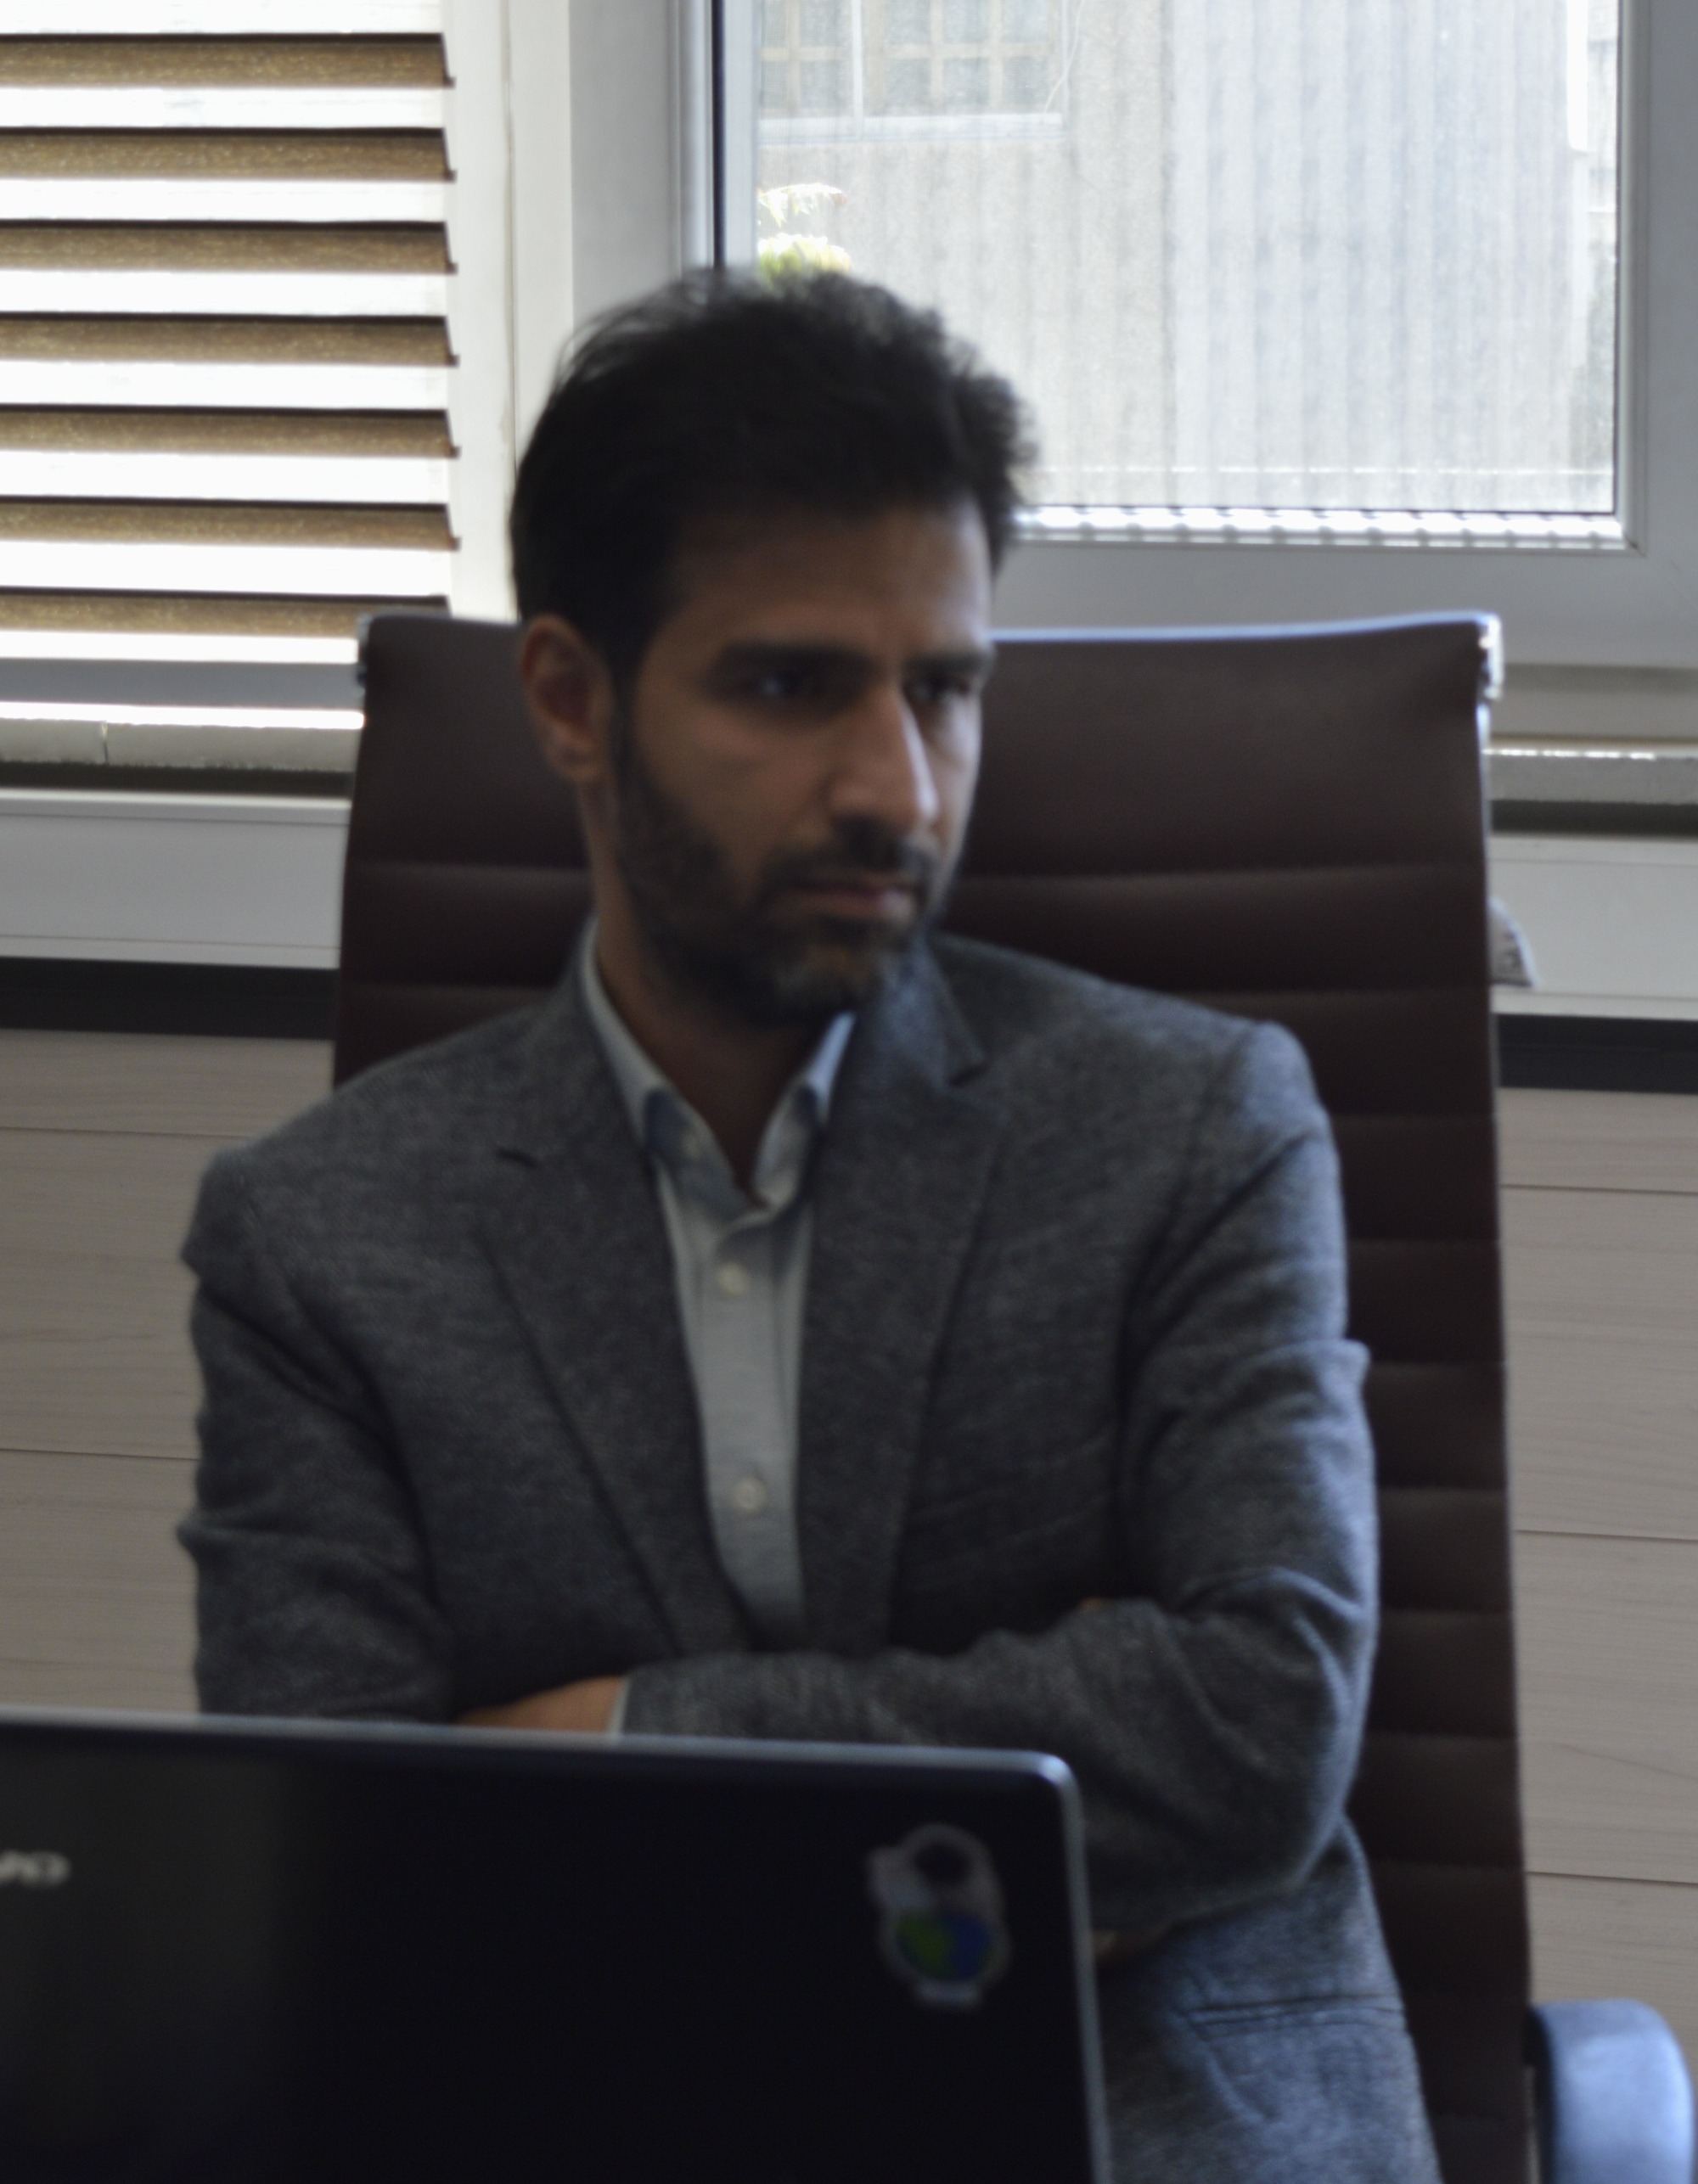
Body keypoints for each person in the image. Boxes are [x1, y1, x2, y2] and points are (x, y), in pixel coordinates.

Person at [180, 271, 1439, 2183]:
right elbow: (356, 1858)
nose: (896, 787)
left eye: (945, 689)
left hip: (1149, 2119)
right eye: (789, 686)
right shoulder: (319, 1239)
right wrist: (1037, 1777)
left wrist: (613, 1742)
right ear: (570, 700)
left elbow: (1259, 1733)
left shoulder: (1191, 1126)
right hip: (592, 2112)